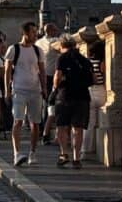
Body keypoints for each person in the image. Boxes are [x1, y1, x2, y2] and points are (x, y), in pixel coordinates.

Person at [4, 21, 47, 166]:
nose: (35, 35)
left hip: (35, 90)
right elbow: (7, 71)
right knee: (18, 121)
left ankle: (32, 153)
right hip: (19, 89)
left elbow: (42, 71)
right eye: (33, 32)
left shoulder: (38, 50)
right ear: (25, 33)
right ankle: (17, 153)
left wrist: (44, 88)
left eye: (36, 32)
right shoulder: (13, 49)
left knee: (35, 123)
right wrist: (7, 90)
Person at [53, 35, 93, 168]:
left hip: (65, 96)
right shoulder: (84, 60)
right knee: (78, 128)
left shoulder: (62, 58)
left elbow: (57, 77)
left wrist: (55, 88)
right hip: (82, 97)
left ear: (62, 46)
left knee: (61, 127)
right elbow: (92, 79)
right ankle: (76, 158)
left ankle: (64, 153)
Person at [36, 23, 62, 143]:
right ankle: (47, 132)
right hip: (53, 75)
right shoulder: (55, 41)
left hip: (41, 75)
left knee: (44, 102)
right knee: (52, 103)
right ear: (51, 31)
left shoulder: (38, 43)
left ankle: (42, 129)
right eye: (56, 30)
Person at [84, 40, 106, 160]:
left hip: (89, 91)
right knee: (102, 122)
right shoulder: (102, 62)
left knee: (89, 124)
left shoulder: (87, 62)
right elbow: (104, 75)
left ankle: (85, 151)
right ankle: (100, 151)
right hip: (100, 91)